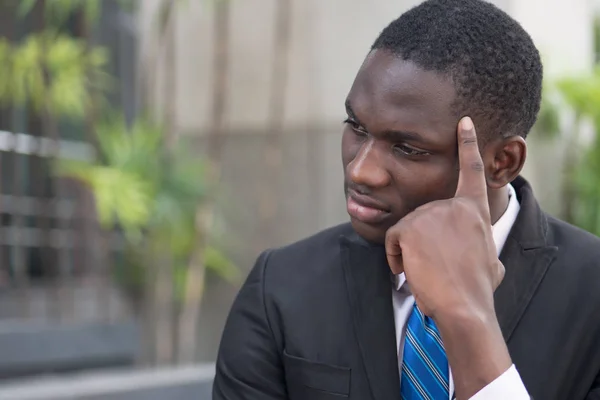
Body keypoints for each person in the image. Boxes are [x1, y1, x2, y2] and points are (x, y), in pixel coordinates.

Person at [212, 0, 600, 399]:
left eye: (408, 148)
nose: (361, 171)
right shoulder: (280, 287)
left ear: (502, 162)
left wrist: (467, 321)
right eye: (356, 127)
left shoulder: (591, 294)